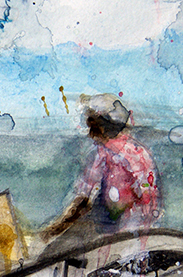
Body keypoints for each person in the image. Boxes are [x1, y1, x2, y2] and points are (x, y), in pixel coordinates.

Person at [41, 94, 160, 241]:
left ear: (104, 127)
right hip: (129, 228)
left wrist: (53, 230)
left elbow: (83, 201)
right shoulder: (123, 152)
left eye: (93, 127)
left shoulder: (117, 155)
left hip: (125, 232)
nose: (90, 134)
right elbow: (84, 197)